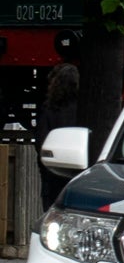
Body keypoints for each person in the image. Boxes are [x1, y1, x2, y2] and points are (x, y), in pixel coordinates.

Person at [37, 62, 79, 208]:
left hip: (53, 172)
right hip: (78, 172)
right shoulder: (84, 110)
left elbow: (41, 142)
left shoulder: (49, 109)